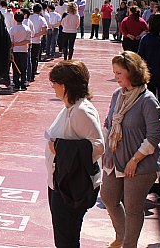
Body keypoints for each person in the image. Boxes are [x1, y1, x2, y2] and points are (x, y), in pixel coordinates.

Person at [101, 51, 160, 248]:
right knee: (108, 198)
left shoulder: (148, 100)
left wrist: (135, 160)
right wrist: (103, 150)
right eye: (114, 73)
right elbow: (109, 123)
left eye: (119, 73)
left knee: (133, 208)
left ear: (132, 72)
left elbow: (154, 137)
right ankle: (122, 235)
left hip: (140, 164)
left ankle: (129, 245)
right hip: (115, 159)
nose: (115, 77)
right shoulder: (117, 95)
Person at [45, 61, 104, 248]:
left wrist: (60, 148)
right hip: (60, 182)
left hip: (71, 186)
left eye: (54, 82)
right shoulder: (70, 107)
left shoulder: (81, 111)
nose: (52, 87)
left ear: (64, 85)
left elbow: (98, 146)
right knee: (64, 239)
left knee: (66, 241)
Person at [10, 12, 32, 91]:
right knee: (23, 68)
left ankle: (16, 84)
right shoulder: (27, 29)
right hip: (24, 50)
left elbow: (11, 43)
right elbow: (28, 41)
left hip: (16, 51)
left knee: (16, 68)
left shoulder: (12, 29)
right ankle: (23, 83)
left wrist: (15, 46)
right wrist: (20, 44)